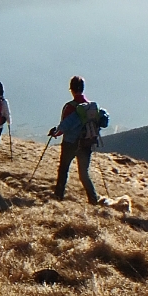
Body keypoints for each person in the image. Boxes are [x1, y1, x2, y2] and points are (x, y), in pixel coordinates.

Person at [48, 76, 103, 204]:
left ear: (71, 89)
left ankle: (58, 196)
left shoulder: (70, 107)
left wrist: (55, 132)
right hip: (86, 144)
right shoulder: (92, 108)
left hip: (70, 144)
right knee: (84, 173)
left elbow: (65, 125)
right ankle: (93, 199)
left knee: (63, 170)